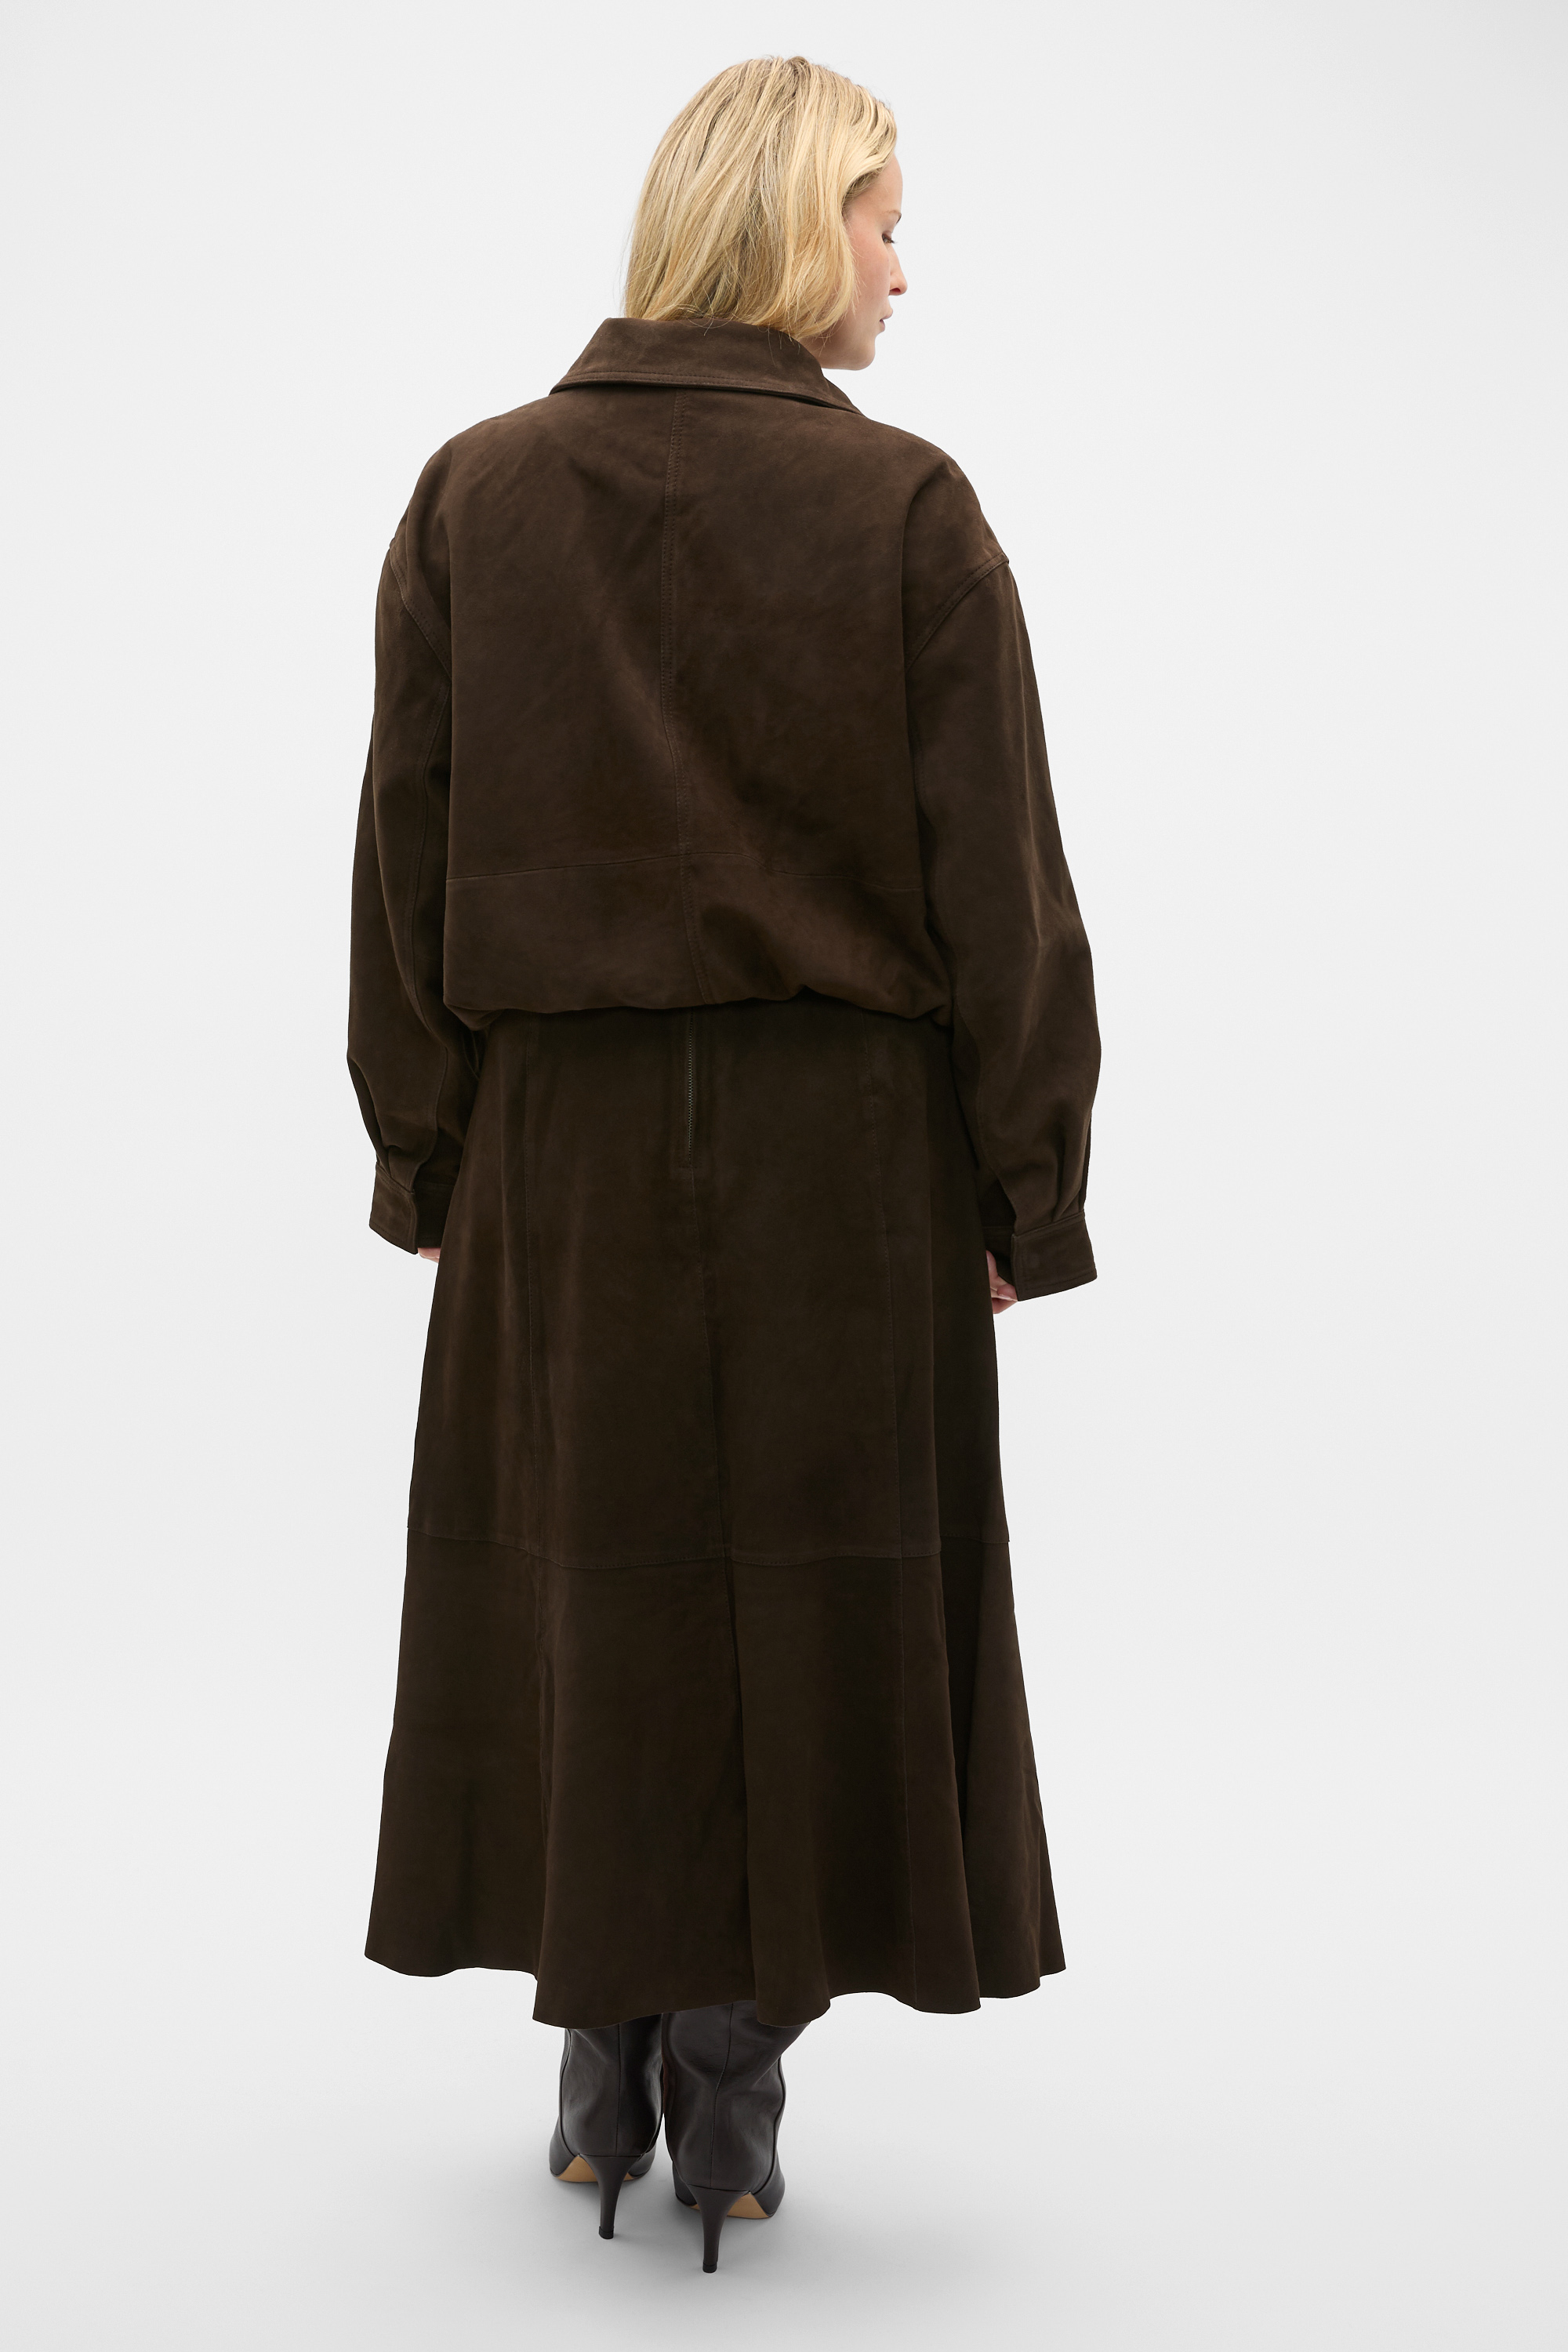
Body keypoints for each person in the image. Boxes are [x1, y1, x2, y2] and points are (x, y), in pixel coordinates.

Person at [347, 54, 1100, 2274]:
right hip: (842, 1165)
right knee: (816, 1615)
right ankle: (732, 2085)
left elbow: (401, 867)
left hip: (561, 1158)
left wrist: (432, 1153)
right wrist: (1023, 1185)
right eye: (882, 219)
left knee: (586, 1588)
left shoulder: (478, 493)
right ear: (789, 227)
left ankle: (607, 2068)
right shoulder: (907, 513)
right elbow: (1004, 891)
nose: (902, 267)